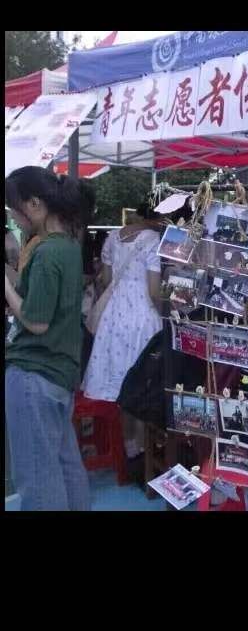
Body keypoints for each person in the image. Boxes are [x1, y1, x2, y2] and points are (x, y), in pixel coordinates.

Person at [5, 166, 95, 510]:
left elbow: (36, 321)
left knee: (37, 478)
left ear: (34, 204)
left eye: (14, 209)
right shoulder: (68, 247)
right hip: (58, 374)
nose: (14, 217)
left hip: (34, 372)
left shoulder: (46, 253)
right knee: (64, 465)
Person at [82, 203, 164, 458]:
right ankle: (142, 448)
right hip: (142, 316)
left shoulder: (112, 237)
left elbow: (106, 280)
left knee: (119, 381)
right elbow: (154, 291)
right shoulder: (153, 240)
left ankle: (125, 445)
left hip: (114, 315)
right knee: (141, 381)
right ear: (158, 218)